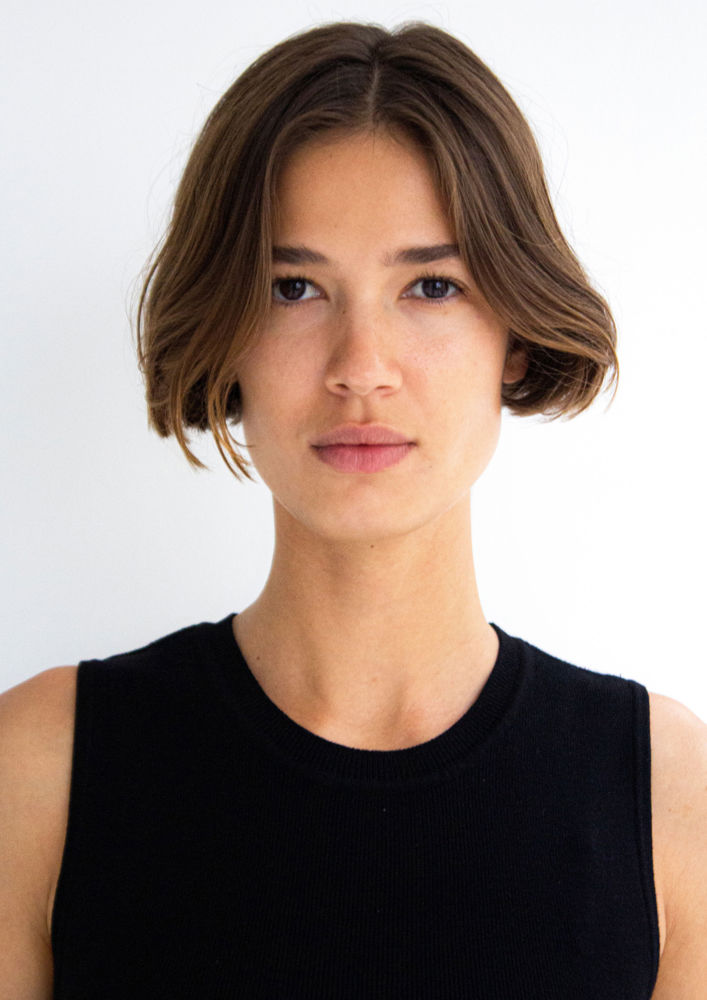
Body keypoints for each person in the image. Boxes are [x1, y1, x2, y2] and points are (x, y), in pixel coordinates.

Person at [0, 20, 705, 1000]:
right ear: (224, 332)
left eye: (430, 285)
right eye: (293, 287)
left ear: (512, 333)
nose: (360, 367)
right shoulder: (41, 772)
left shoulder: (665, 797)